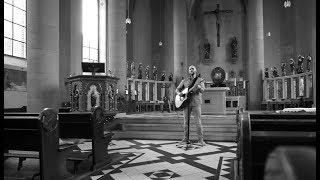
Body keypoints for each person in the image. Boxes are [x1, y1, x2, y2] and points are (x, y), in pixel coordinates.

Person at [175, 65, 206, 146]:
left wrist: (199, 87)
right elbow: (177, 89)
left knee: (198, 122)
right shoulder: (185, 80)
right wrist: (180, 94)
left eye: (192, 68)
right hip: (186, 103)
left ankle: (200, 140)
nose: (191, 69)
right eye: (189, 69)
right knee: (185, 122)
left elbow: (203, 90)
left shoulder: (200, 80)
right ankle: (185, 139)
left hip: (196, 102)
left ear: (195, 70)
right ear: (188, 71)